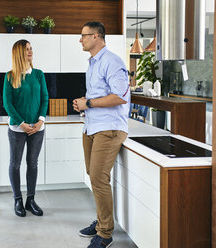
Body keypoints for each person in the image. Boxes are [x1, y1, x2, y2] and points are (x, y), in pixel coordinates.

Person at [73, 22, 130, 248]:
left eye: (84, 36)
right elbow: (99, 96)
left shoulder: (112, 61)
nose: (80, 39)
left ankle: (105, 233)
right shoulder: (93, 63)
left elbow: (120, 96)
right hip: (93, 126)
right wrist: (86, 105)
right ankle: (101, 220)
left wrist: (88, 102)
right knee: (93, 175)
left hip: (110, 128)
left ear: (96, 36)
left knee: (98, 177)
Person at [3, 39, 49, 217]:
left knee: (33, 164)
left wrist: (40, 120)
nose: (30, 52)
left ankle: (30, 200)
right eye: (26, 49)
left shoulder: (38, 74)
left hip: (37, 127)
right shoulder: (9, 76)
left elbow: (44, 98)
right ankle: (17, 200)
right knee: (15, 164)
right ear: (18, 53)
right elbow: (8, 104)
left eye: (31, 48)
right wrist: (21, 123)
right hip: (17, 129)